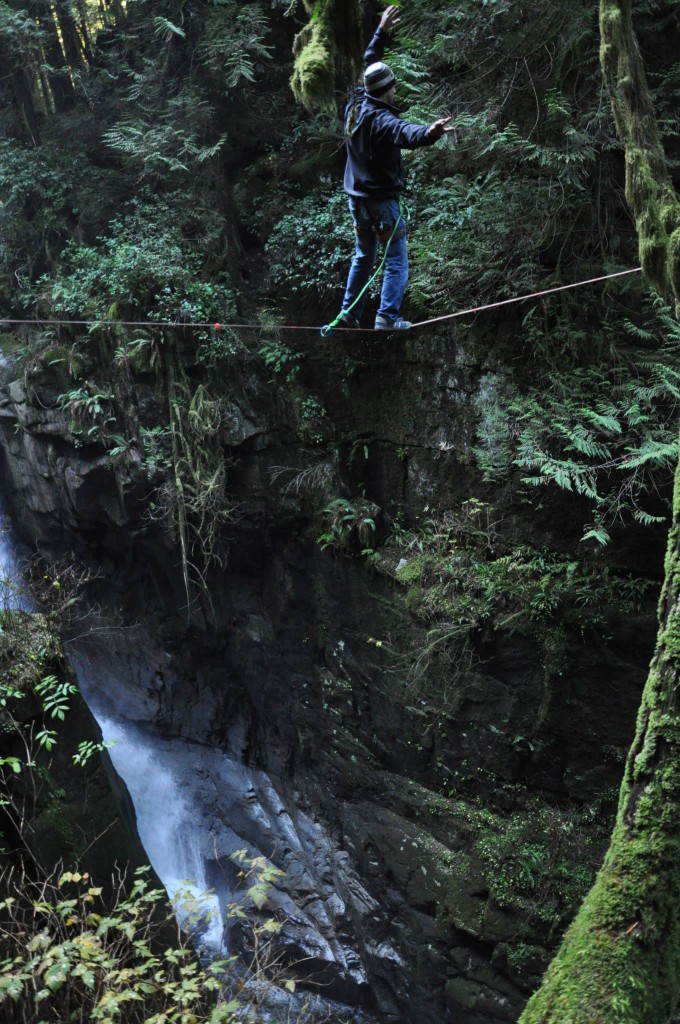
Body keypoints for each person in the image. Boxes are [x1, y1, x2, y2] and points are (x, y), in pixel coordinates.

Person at [334, 4, 452, 332]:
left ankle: (350, 312)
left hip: (356, 199)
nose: (396, 90)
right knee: (396, 258)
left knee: (363, 255)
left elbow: (369, 63)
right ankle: (386, 316)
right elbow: (407, 133)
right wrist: (431, 132)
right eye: (394, 87)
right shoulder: (383, 120)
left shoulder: (356, 102)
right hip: (382, 202)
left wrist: (381, 32)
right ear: (387, 90)